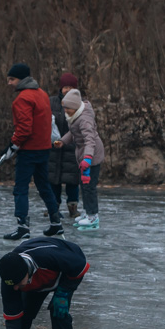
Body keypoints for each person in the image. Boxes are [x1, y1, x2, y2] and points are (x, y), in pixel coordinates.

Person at [2, 63, 63, 240]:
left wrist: (13, 146)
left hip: (29, 151)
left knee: (20, 188)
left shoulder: (22, 99)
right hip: (43, 149)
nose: (9, 83)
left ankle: (22, 226)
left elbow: (24, 128)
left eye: (12, 79)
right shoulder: (42, 94)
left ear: (21, 79)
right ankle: (56, 222)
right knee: (44, 185)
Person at [54, 89, 105, 230]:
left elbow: (90, 141)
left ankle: (93, 215)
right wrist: (63, 141)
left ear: (75, 107)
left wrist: (88, 158)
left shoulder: (84, 120)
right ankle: (87, 212)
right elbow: (73, 132)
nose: (65, 110)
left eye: (67, 108)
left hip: (92, 156)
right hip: (84, 156)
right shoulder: (75, 116)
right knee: (83, 186)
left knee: (89, 187)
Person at [48, 73, 82, 220]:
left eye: (71, 87)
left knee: (72, 180)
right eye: (65, 87)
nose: (67, 90)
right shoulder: (51, 102)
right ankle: (53, 207)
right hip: (53, 147)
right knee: (53, 180)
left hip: (72, 147)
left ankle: (73, 207)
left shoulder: (81, 104)